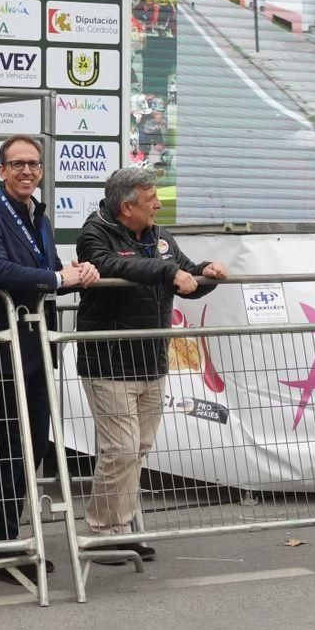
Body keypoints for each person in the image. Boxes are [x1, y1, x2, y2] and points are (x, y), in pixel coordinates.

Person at [74, 167, 224, 564]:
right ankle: (102, 534)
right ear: (127, 207)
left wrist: (206, 273)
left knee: (136, 450)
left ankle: (121, 529)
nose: (158, 204)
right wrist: (169, 270)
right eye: (151, 199)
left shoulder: (159, 236)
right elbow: (115, 266)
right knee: (119, 450)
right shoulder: (95, 233)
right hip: (108, 362)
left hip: (151, 360)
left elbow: (184, 276)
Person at [0, 136, 98, 584]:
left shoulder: (38, 216)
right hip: (6, 351)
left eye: (34, 164)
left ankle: (14, 540)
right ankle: (2, 544)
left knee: (36, 444)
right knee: (9, 446)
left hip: (39, 347)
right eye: (17, 164)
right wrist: (56, 278)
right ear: (0, 171)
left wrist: (78, 274)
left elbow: (51, 268)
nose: (27, 171)